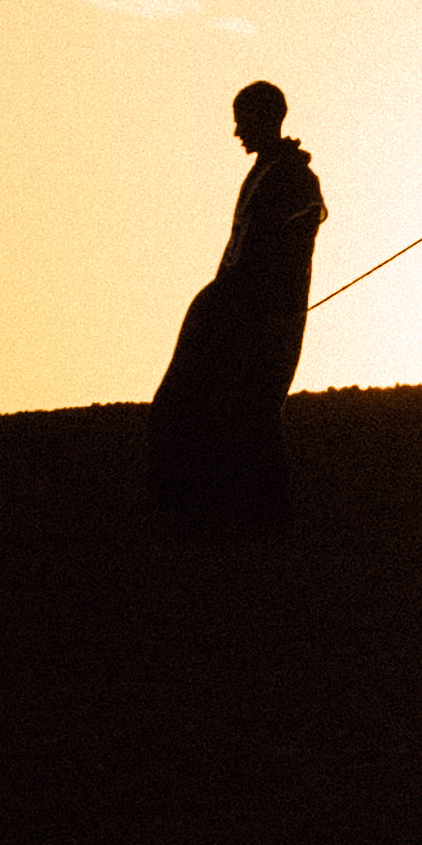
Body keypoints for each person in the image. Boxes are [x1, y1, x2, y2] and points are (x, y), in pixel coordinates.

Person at [147, 77, 325, 529]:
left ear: (266, 118)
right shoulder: (274, 171)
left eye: (243, 120)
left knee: (247, 414)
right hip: (235, 311)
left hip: (257, 319)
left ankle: (253, 520)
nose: (236, 132)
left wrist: (237, 307)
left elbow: (272, 250)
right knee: (223, 412)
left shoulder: (290, 176)